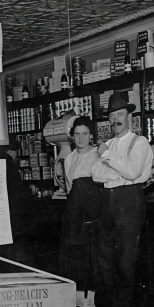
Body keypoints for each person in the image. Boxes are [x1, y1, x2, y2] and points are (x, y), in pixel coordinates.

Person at [90, 92, 154, 307]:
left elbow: (132, 172)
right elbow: (96, 174)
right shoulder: (112, 145)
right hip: (107, 201)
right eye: (112, 115)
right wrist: (117, 169)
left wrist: (108, 157)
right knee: (105, 260)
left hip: (129, 201)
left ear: (129, 116)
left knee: (126, 261)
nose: (115, 119)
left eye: (120, 114)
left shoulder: (140, 143)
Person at [59, 116, 102, 296]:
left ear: (91, 135)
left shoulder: (98, 155)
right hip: (74, 212)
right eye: (77, 134)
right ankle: (77, 297)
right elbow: (69, 188)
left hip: (93, 212)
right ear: (72, 136)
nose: (81, 138)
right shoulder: (69, 159)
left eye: (85, 134)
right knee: (75, 253)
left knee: (93, 254)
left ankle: (91, 300)